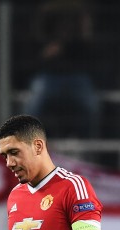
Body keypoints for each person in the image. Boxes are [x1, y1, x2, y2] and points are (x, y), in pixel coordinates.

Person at [21, 0, 101, 139]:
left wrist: (67, 45)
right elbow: (36, 44)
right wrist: (46, 52)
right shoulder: (43, 15)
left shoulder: (82, 14)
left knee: (92, 105)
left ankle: (87, 147)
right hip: (49, 75)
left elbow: (89, 46)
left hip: (77, 74)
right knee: (33, 104)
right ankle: (28, 144)